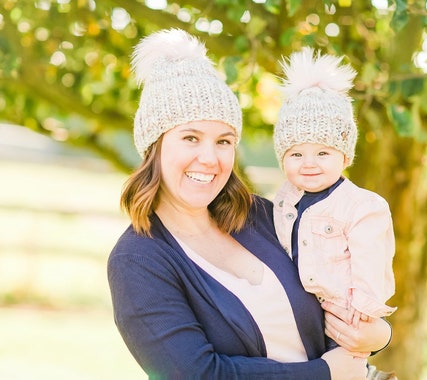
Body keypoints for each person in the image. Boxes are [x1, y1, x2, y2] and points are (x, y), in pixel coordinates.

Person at [107, 28, 392, 380]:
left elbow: (336, 288)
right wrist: (323, 374)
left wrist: (379, 335)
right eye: (191, 138)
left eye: (224, 141)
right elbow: (196, 374)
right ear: (154, 145)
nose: (209, 159)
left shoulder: (261, 216)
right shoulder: (137, 260)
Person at [272, 48, 397, 364]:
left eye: (323, 154)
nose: (309, 164)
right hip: (298, 321)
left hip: (344, 317)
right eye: (296, 154)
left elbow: (371, 259)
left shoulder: (360, 207)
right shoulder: (283, 200)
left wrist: (364, 310)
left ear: (345, 156)